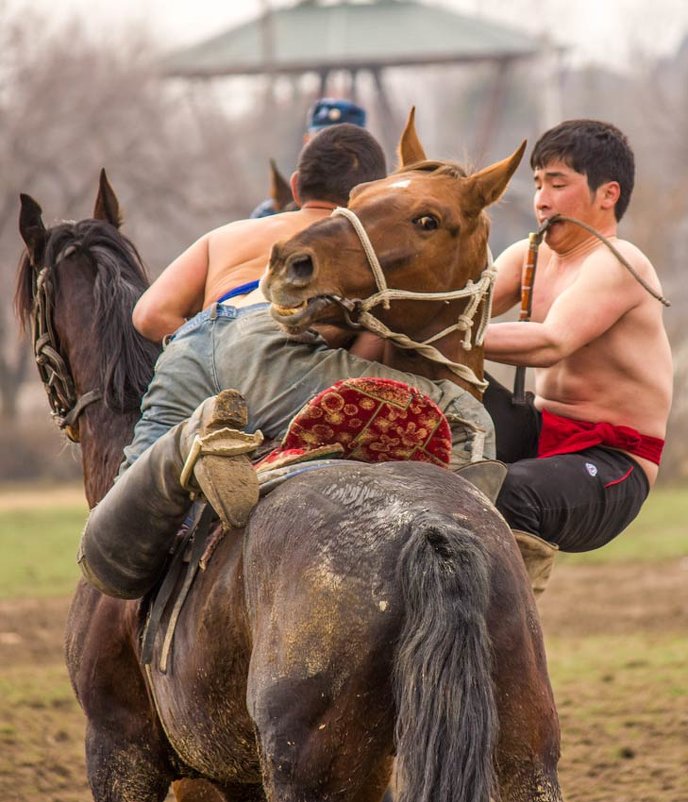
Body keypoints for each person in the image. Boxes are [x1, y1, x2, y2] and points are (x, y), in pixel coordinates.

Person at [78, 123, 495, 599]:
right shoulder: (352, 245)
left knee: (127, 508)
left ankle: (187, 443)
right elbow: (352, 344)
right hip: (269, 341)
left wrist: (216, 355)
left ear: (295, 187)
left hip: (187, 347)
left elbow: (149, 315)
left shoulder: (234, 232)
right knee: (467, 415)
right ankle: (483, 563)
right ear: (371, 197)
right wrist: (251, 360)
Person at [483, 119, 672, 570]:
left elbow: (552, 343)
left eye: (558, 183)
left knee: (504, 493)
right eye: (537, 184)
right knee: (432, 391)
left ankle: (498, 634)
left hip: (613, 462)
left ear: (607, 194)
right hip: (538, 430)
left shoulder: (622, 262)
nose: (542, 199)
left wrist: (445, 335)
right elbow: (455, 310)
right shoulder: (529, 255)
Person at [249, 98, 367, 219]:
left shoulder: (378, 209)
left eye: (343, 142)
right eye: (321, 140)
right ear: (307, 142)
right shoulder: (268, 215)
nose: (332, 150)